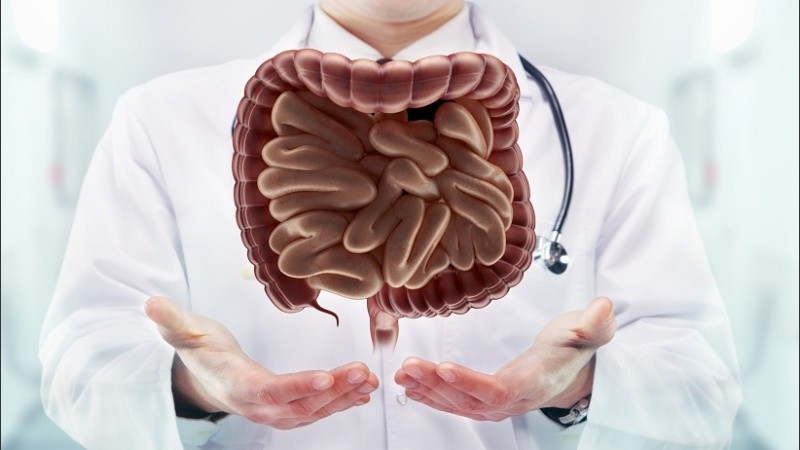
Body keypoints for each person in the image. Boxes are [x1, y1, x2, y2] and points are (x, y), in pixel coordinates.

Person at [38, 1, 742, 449]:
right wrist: (194, 388)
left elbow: (701, 387)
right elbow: (81, 360)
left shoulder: (615, 133)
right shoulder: (162, 123)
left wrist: (578, 385)